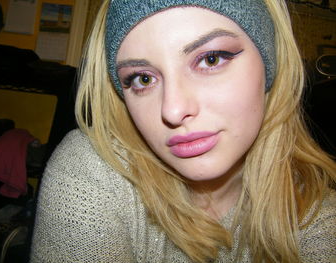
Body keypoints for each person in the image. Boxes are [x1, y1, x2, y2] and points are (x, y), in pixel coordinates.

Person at [30, 0, 336, 262]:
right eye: (142, 79)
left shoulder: (318, 219)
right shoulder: (91, 171)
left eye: (210, 59)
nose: (173, 110)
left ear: (270, 65)